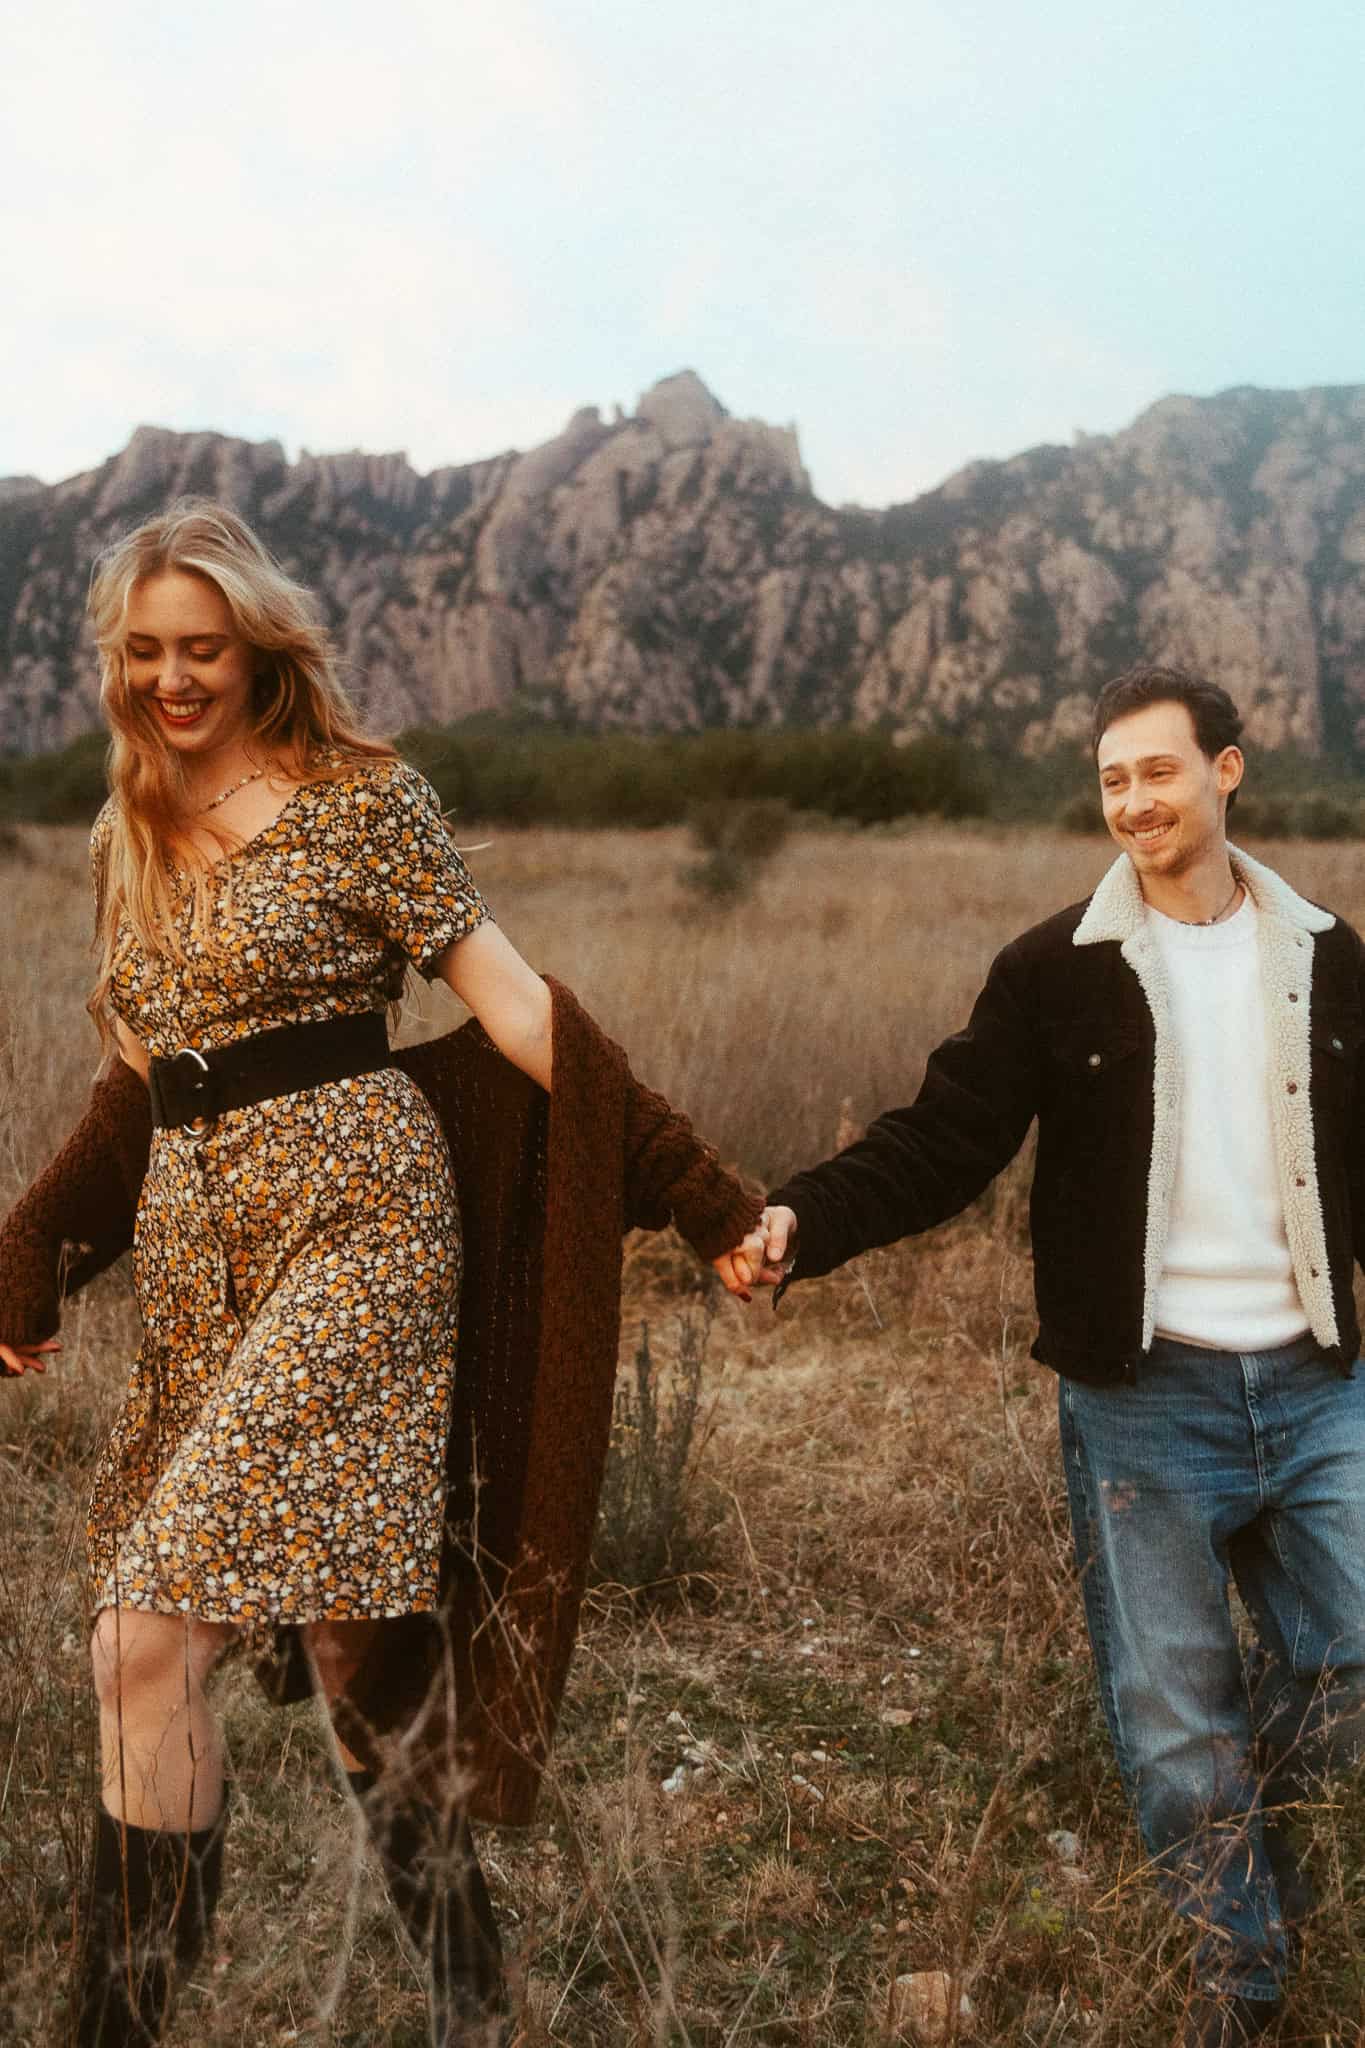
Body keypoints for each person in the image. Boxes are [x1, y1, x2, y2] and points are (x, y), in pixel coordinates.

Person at [0, 499, 765, 2047]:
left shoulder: (364, 801)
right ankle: (475, 1995)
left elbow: (518, 1008)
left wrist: (700, 1192)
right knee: (353, 1635)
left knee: (143, 1639)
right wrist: (32, 1251)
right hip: (207, 1265)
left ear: (260, 648)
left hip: (363, 1235)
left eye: (201, 648)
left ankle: (113, 2028)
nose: (171, 679)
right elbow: (144, 1083)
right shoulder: (123, 829)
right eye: (143, 652)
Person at [746, 666, 1365, 2047]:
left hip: (1320, 1384)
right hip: (1144, 1398)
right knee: (1174, 1715)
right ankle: (1238, 1984)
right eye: (1111, 780)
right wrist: (802, 1220)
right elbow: (941, 1140)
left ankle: (1268, 1849)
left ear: (1227, 770)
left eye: (1158, 770)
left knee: (1354, 1661)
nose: (1133, 802)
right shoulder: (1052, 972)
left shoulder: (1329, 956)